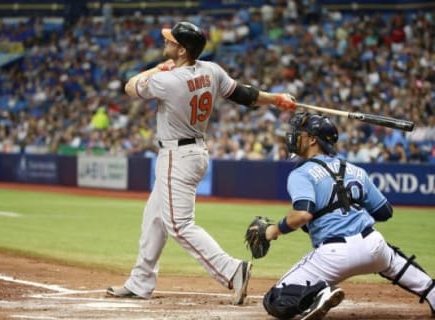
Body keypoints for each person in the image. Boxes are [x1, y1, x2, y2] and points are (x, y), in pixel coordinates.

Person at [106, 21, 296, 304]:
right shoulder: (211, 70)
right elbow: (244, 95)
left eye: (170, 42)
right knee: (154, 218)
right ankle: (140, 281)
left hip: (176, 155)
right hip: (195, 152)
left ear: (181, 50)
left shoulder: (167, 80)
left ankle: (233, 270)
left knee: (180, 226)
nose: (165, 43)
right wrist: (277, 99)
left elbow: (130, 86)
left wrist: (159, 68)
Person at [259, 112, 435, 319]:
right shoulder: (356, 169)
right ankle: (432, 291)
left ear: (313, 139)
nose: (294, 136)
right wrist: (349, 208)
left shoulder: (301, 172)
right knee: (391, 258)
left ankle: (320, 293)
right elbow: (384, 212)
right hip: (372, 245)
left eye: (301, 133)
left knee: (274, 300)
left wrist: (273, 230)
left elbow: (302, 215)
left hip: (333, 254)